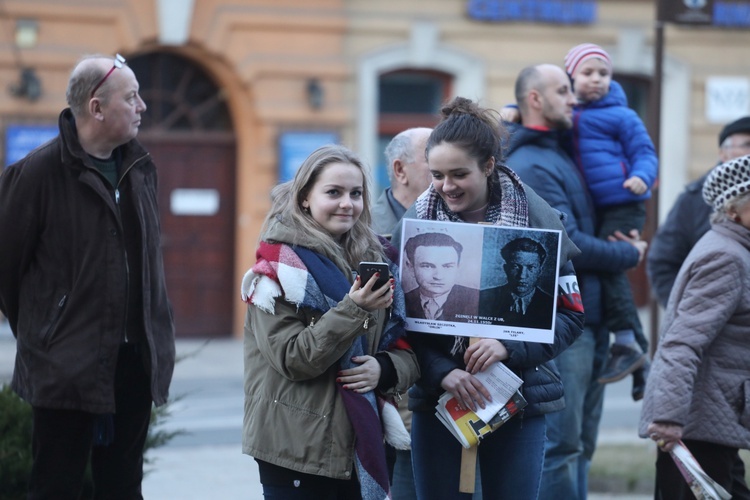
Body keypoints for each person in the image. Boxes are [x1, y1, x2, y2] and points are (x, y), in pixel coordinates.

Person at [391, 96, 585, 499]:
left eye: (459, 174)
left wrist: (508, 346)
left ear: (489, 166)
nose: (446, 186)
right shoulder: (413, 225)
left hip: (519, 398)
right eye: (438, 175)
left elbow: (570, 314)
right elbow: (395, 322)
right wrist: (441, 370)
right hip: (438, 399)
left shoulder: (538, 217)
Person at [0, 54, 175, 498]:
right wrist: (47, 336)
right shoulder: (36, 173)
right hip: (66, 370)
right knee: (54, 488)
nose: (142, 108)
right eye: (131, 98)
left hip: (135, 364)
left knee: (123, 488)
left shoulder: (141, 170)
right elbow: (6, 269)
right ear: (96, 108)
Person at [239, 144, 420, 499]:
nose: (347, 204)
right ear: (305, 197)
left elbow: (408, 348)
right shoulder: (275, 271)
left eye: (356, 194)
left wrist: (383, 369)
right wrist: (354, 309)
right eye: (333, 192)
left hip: (361, 439)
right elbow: (294, 359)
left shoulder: (381, 259)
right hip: (297, 448)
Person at [504, 63, 646, 499]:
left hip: (590, 319)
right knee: (562, 446)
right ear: (535, 100)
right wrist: (630, 253)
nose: (573, 99)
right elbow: (568, 243)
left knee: (581, 445)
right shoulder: (531, 163)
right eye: (564, 91)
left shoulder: (560, 152)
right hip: (564, 327)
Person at [639, 154, 750, 500]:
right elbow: (681, 343)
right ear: (734, 210)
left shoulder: (735, 249)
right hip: (694, 427)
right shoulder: (726, 257)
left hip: (712, 423)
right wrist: (670, 419)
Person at [563, 43, 657, 386]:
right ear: (571, 75)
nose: (596, 80)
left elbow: (645, 152)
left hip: (626, 203)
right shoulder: (569, 111)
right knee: (607, 268)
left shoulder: (622, 114)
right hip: (597, 207)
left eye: (603, 73)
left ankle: (629, 344)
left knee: (611, 266)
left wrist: (641, 177)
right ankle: (638, 362)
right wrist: (514, 110)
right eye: (588, 73)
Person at [647, 115, 750, 306]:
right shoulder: (695, 198)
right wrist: (685, 310)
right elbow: (662, 262)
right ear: (723, 153)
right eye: (747, 144)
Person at [479, 237, 554, 329]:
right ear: (506, 269)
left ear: (539, 271)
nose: (522, 276)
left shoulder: (551, 304)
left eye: (531, 267)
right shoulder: (481, 299)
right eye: (516, 266)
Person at [403, 232, 480, 322]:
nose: (438, 276)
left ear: (458, 268)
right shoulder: (401, 301)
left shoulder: (479, 300)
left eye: (447, 266)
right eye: (427, 266)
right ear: (411, 268)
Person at [372, 127, 433, 237]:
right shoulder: (360, 232)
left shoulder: (460, 222)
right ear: (400, 170)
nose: (443, 169)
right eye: (432, 160)